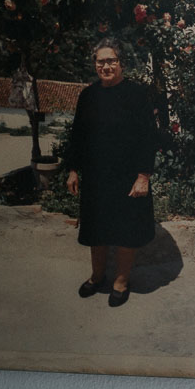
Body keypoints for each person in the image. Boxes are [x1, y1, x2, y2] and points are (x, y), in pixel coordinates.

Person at [65, 39, 165, 307]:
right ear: (95, 64)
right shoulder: (88, 96)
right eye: (101, 61)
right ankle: (97, 277)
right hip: (96, 175)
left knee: (125, 230)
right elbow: (78, 136)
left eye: (111, 61)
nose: (106, 65)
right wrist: (73, 169)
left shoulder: (137, 94)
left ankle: (121, 281)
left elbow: (148, 137)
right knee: (96, 227)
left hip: (128, 175)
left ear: (121, 64)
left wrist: (144, 175)